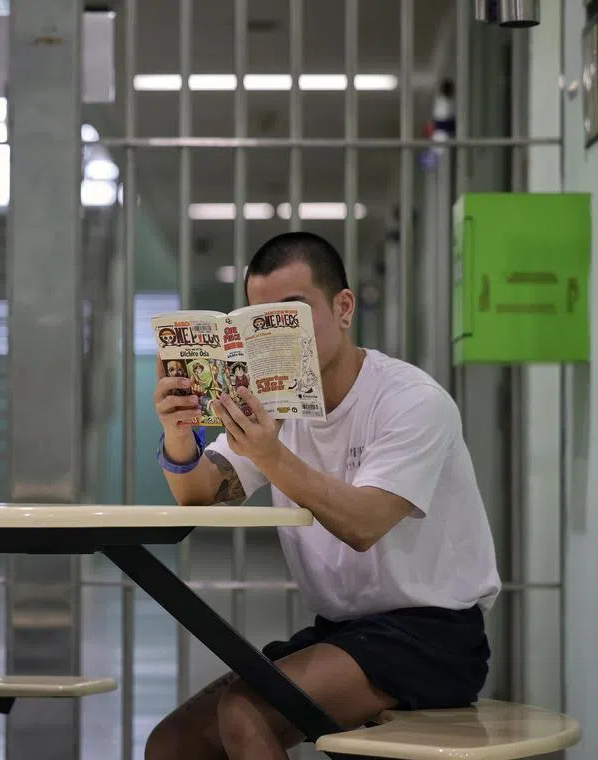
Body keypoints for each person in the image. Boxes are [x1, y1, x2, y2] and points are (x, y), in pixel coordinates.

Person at [149, 231, 500, 760]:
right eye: (261, 321)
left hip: (434, 636)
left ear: (344, 308)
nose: (278, 336)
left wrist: (270, 454)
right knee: (172, 744)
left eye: (291, 315)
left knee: (245, 713)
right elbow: (201, 493)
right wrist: (178, 435)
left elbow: (364, 523)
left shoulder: (412, 400)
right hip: (343, 632)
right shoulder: (276, 405)